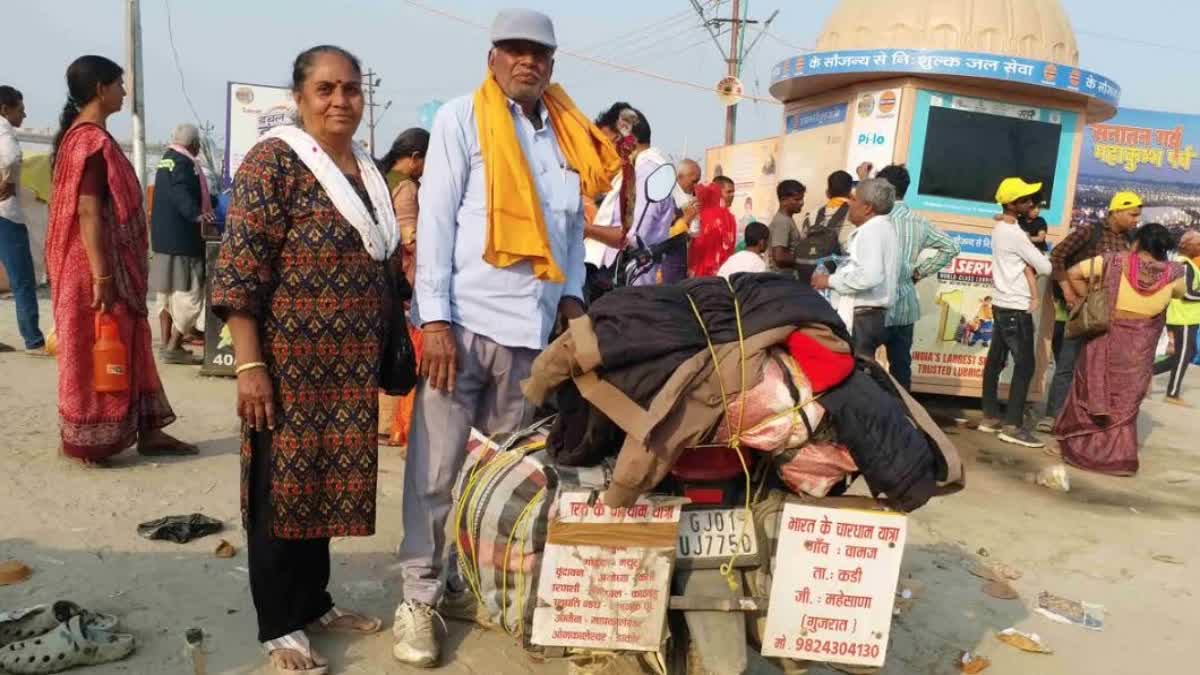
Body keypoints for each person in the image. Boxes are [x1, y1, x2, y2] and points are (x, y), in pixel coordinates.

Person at [395, 9, 615, 667]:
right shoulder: (463, 119)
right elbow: (435, 223)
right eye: (515, 50)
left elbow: (572, 235)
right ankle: (417, 598)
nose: (527, 62)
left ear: (552, 63)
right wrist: (432, 319)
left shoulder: (567, 137)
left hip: (531, 336)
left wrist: (574, 304)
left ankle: (463, 581)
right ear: (493, 57)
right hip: (461, 326)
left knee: (497, 472)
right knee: (434, 468)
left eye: (539, 53)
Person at [212, 45, 394, 674]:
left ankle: (313, 602)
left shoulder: (365, 169)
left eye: (350, 88)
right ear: (298, 97)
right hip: (287, 368)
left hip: (345, 373)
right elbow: (239, 274)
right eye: (325, 89)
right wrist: (249, 365)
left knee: (316, 493)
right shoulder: (275, 163)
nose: (340, 100)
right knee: (277, 494)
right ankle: (280, 627)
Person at [46, 55, 195, 466]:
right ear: (100, 89)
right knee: (97, 346)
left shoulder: (84, 137)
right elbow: (89, 211)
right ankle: (91, 438)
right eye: (119, 84)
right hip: (94, 265)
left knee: (128, 342)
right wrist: (103, 274)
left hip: (99, 262)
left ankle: (149, 429)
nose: (124, 91)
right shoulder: (90, 142)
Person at [1055, 224, 1193, 475]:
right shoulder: (1174, 273)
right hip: (1137, 352)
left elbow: (1073, 273)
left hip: (1104, 340)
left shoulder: (1112, 261)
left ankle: (1082, 448)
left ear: (1137, 243)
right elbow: (1181, 294)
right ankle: (1119, 459)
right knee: (1126, 401)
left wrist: (1092, 300)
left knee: (1093, 388)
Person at [1040, 191, 1138, 431]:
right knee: (1068, 363)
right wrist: (1069, 292)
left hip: (1109, 311)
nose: (1136, 219)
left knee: (1095, 368)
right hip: (1082, 308)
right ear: (1116, 212)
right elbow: (1058, 256)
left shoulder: (1130, 239)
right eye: (1132, 214)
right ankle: (1053, 415)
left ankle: (1079, 418)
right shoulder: (1090, 232)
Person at [979, 178, 1052, 448]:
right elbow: (1044, 267)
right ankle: (1012, 425)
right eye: (1024, 200)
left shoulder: (1001, 228)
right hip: (1016, 306)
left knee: (996, 360)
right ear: (1011, 204)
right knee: (1025, 366)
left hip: (1001, 303)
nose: (1031, 203)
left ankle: (989, 416)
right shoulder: (1016, 234)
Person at [876, 164, 959, 390]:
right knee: (901, 368)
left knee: (862, 363)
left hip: (873, 306)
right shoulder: (919, 222)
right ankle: (904, 417)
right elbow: (951, 247)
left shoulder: (873, 220)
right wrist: (919, 272)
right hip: (904, 305)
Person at [376, 128, 430, 447]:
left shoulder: (379, 178)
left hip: (375, 272)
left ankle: (380, 421)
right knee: (400, 344)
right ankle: (389, 424)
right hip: (400, 276)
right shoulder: (407, 187)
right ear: (413, 158)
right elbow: (410, 238)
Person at [812, 178, 899, 361]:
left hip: (863, 318)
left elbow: (869, 276)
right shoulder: (884, 228)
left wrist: (828, 281)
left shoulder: (870, 231)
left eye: (854, 199)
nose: (850, 204)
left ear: (867, 208)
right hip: (873, 316)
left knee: (858, 375)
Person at [150, 123, 213, 365]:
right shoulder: (186, 163)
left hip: (163, 241)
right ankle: (174, 344)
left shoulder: (166, 158)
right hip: (183, 241)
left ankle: (167, 343)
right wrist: (196, 214)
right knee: (190, 297)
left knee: (165, 295)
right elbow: (180, 192)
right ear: (194, 145)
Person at [0, 84, 48, 356]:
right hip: (7, 214)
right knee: (23, 279)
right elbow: (11, 156)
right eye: (21, 109)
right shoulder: (4, 131)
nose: (25, 114)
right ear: (5, 109)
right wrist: (6, 180)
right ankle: (33, 340)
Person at [1153, 229, 1200, 406]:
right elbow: (1186, 294)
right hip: (1183, 317)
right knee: (1184, 354)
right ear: (1189, 246)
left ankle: (1149, 372)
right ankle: (1172, 393)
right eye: (1198, 244)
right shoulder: (1186, 265)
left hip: (1186, 316)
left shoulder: (1184, 263)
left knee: (1187, 354)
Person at [689, 175, 737, 278]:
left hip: (722, 275)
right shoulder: (699, 216)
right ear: (717, 193)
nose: (732, 195)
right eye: (728, 192)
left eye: (733, 192)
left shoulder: (730, 218)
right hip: (703, 275)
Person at [767, 179, 806, 278]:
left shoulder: (787, 219)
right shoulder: (782, 222)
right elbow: (779, 257)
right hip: (783, 279)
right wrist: (805, 260)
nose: (802, 203)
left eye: (802, 199)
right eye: (797, 199)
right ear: (783, 200)